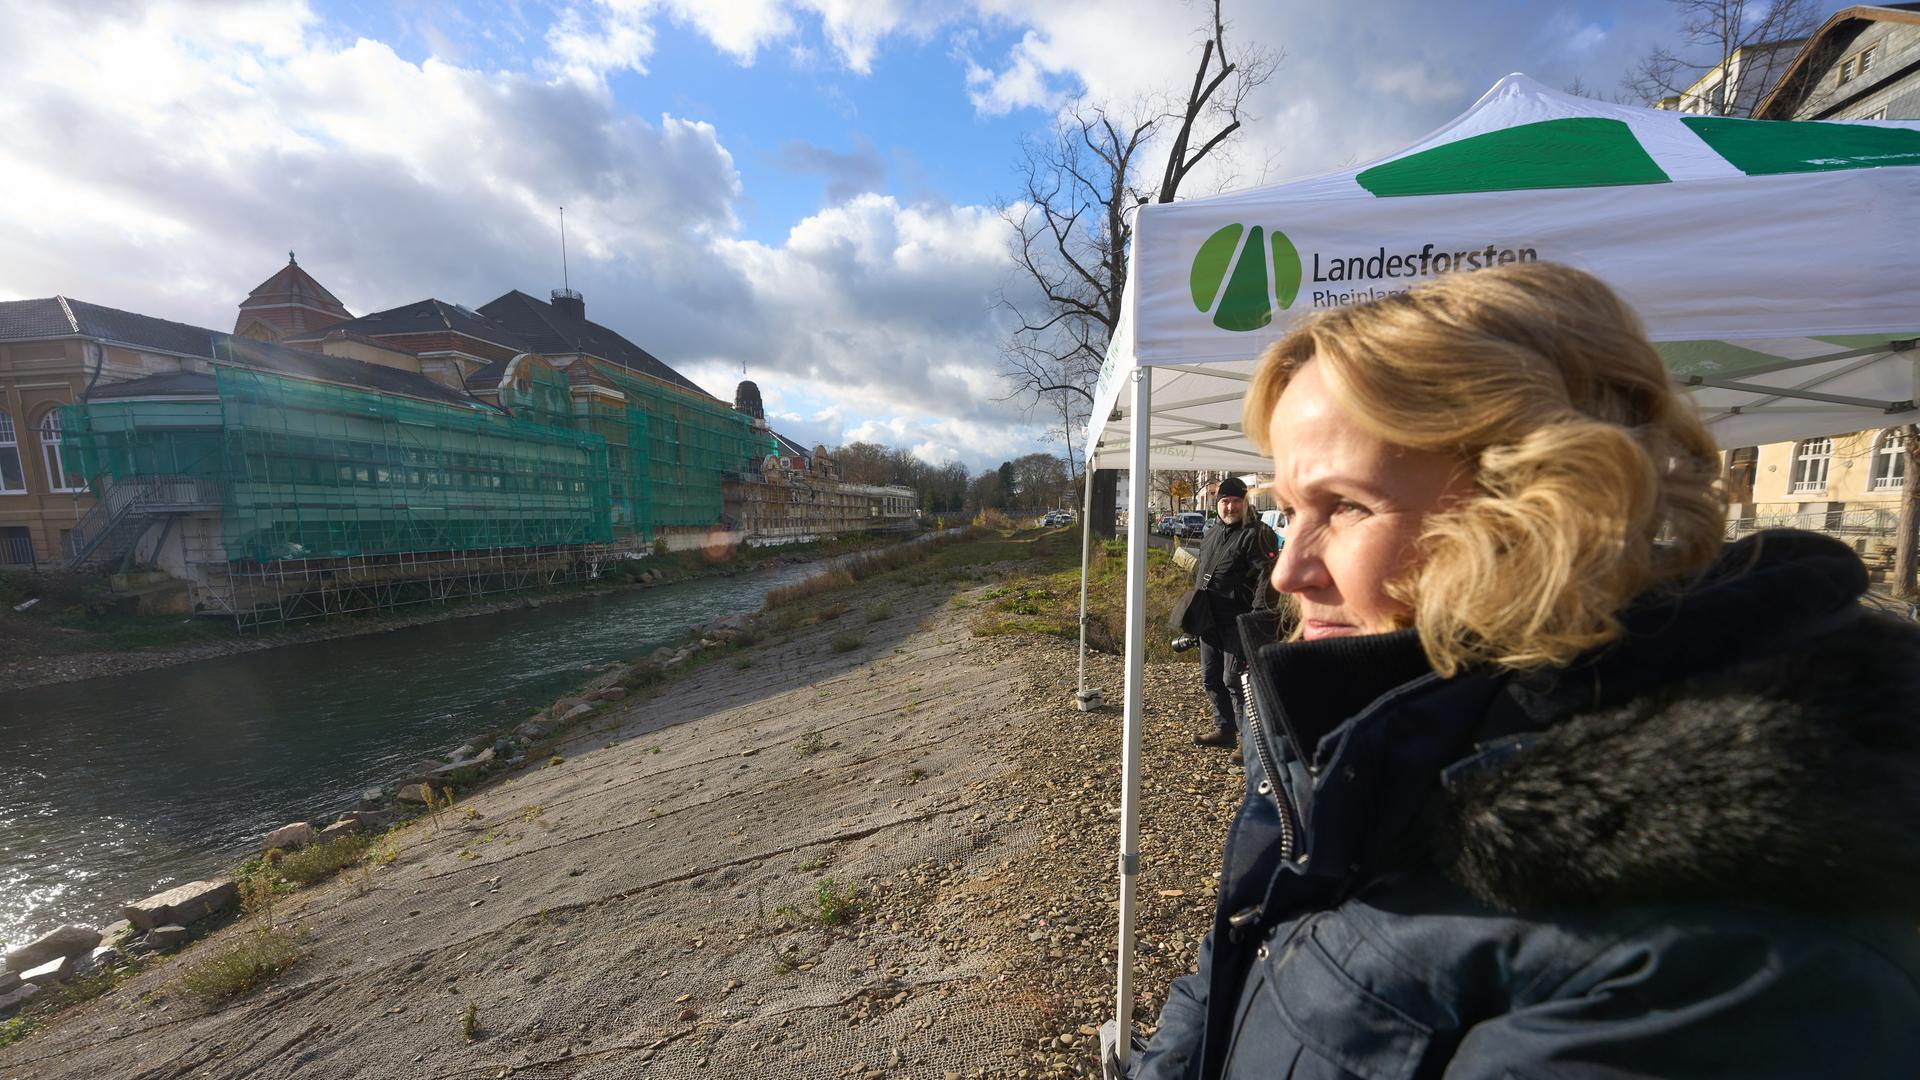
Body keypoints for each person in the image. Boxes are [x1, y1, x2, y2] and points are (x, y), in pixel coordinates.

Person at [1132, 263, 1920, 1078]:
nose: (1288, 572)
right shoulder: (1386, 737)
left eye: (1347, 507)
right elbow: (1243, 958)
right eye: (1290, 511)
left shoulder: (1724, 963)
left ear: (1550, 506)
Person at [1179, 476, 1278, 751]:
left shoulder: (1258, 533)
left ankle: (1250, 744)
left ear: (1245, 503)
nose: (1230, 507)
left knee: (1234, 681)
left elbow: (1267, 578)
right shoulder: (1212, 532)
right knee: (1210, 677)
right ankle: (1225, 730)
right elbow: (1203, 571)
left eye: (1236, 501)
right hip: (1209, 619)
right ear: (1217, 503)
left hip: (1240, 620)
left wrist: (1257, 618)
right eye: (1225, 501)